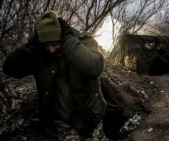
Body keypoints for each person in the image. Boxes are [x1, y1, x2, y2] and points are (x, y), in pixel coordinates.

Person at [2, 10, 107, 139]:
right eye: (47, 45)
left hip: (87, 121)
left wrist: (68, 40)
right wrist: (32, 45)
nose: (51, 50)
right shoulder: (41, 53)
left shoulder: (84, 41)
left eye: (55, 44)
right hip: (57, 124)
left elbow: (94, 67)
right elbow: (9, 69)